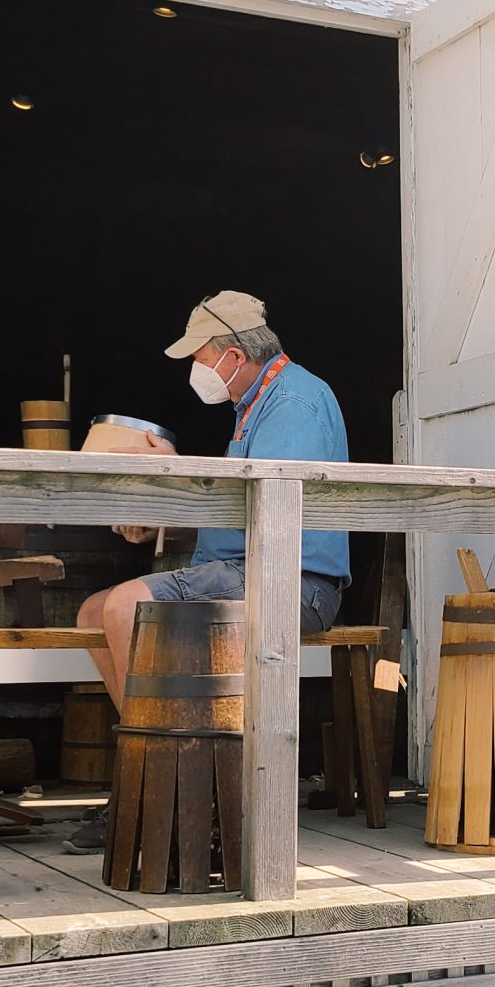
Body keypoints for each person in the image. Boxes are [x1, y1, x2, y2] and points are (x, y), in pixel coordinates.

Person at [74, 291, 351, 711]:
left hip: (291, 583)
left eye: (200, 359)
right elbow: (234, 506)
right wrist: (164, 524)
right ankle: (148, 747)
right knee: (94, 613)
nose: (195, 371)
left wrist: (177, 468)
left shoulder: (292, 402)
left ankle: (166, 755)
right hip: (248, 572)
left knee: (125, 606)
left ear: (236, 356)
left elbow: (268, 503)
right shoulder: (255, 404)